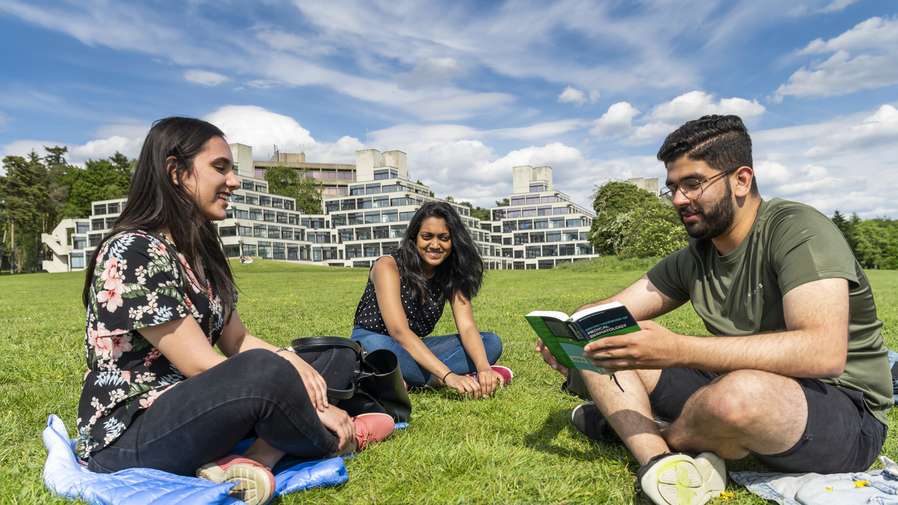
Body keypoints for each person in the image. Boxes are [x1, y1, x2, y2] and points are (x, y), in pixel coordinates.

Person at [537, 115, 891, 505]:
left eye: (693, 184)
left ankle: (637, 428)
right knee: (605, 335)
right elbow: (607, 311)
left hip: (845, 409)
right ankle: (657, 461)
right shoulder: (696, 257)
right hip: (732, 381)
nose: (677, 200)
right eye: (672, 187)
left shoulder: (798, 230)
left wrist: (679, 350)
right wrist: (571, 335)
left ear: (741, 180)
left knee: (739, 396)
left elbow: (823, 353)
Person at [76, 117, 394, 505]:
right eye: (220, 168)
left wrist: (297, 367)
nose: (234, 182)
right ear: (175, 172)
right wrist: (291, 379)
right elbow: (200, 364)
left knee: (335, 353)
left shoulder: (201, 250)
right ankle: (336, 439)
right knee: (269, 369)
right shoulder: (134, 251)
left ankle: (260, 455)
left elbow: (237, 340)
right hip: (134, 432)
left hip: (200, 406)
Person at [351, 201, 513, 398]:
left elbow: (467, 326)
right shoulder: (388, 266)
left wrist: (484, 368)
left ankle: (399, 380)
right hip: (374, 342)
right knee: (383, 353)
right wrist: (448, 376)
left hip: (414, 346)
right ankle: (430, 378)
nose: (435, 245)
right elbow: (399, 332)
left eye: (443, 238)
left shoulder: (452, 273)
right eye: (427, 236)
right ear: (414, 238)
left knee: (490, 342)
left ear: (453, 241)